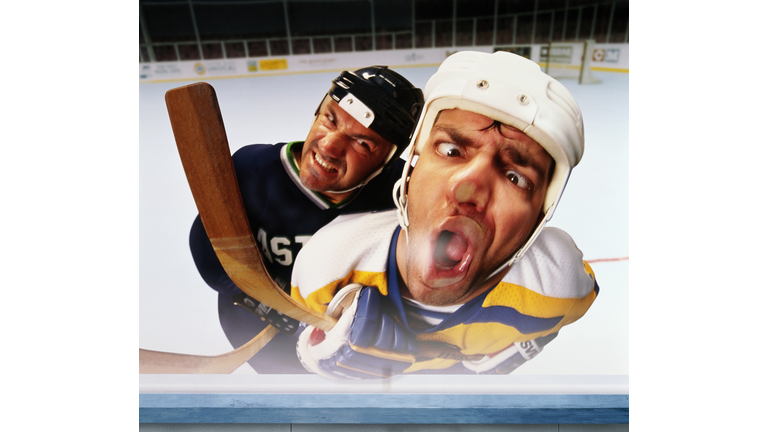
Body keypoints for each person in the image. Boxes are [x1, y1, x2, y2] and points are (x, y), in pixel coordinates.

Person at [291, 51, 599, 379]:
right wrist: (319, 353)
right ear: (410, 171)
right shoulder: (325, 267)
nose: (468, 190)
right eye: (451, 151)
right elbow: (304, 339)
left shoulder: (560, 285)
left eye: (515, 177)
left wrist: (516, 349)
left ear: (539, 216)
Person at [188, 66, 424, 373]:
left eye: (362, 143)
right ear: (317, 112)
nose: (328, 146)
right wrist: (260, 298)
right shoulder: (252, 171)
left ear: (389, 161)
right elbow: (209, 254)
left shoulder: (404, 197)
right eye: (330, 119)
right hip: (253, 327)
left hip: (345, 346)